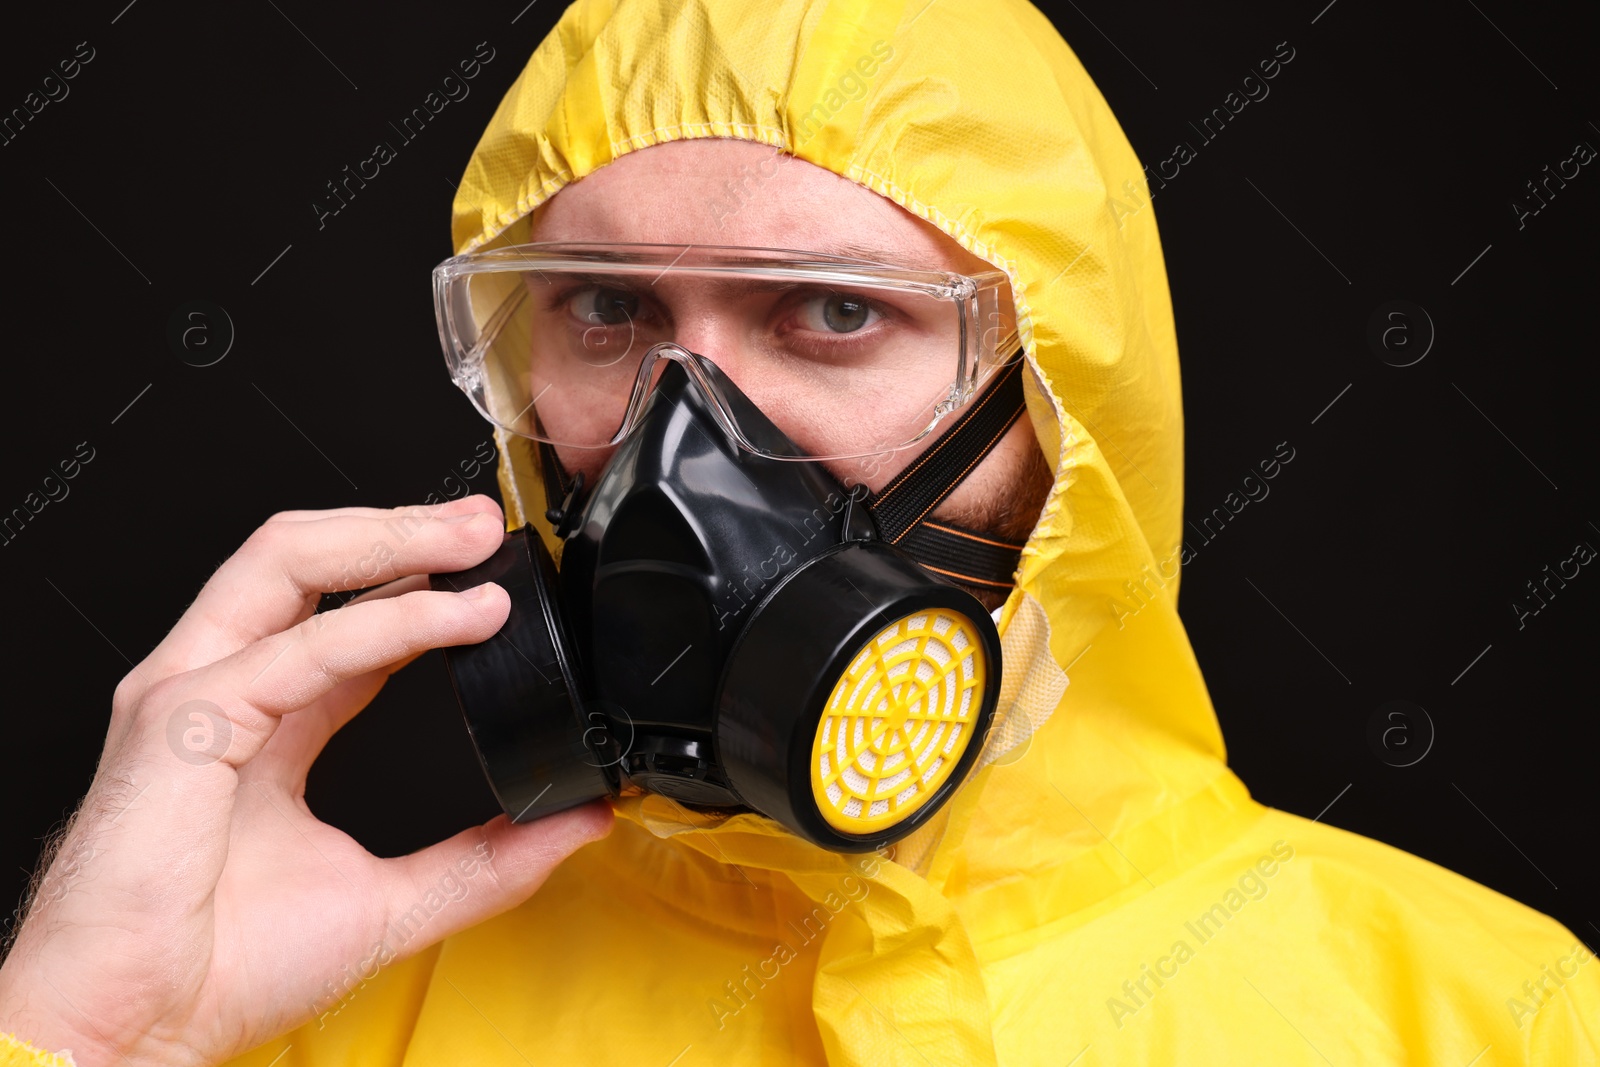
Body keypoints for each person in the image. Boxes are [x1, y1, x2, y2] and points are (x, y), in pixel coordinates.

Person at [2, 0, 1596, 1063]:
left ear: (1066, 408)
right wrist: (79, 1040)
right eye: (606, 309)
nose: (682, 437)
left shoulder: (1482, 1022)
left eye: (836, 311)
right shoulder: (312, 1008)